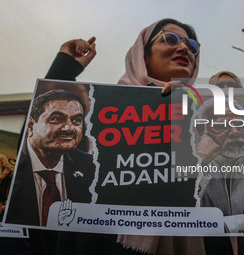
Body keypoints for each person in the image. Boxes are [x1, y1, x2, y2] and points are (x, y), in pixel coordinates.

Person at [43, 18, 206, 255]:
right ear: (144, 55)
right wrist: (65, 69)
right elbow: (39, 150)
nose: (184, 49)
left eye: (192, 46)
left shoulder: (212, 118)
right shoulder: (97, 114)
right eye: (171, 39)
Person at [6, 89, 96, 227]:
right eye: (56, 119)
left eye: (77, 120)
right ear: (30, 126)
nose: (69, 128)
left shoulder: (93, 168)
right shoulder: (8, 162)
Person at [195, 99, 244, 233]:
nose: (235, 132)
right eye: (223, 125)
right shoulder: (188, 160)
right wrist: (202, 162)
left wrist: (223, 226)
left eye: (240, 124)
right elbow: (182, 215)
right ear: (202, 129)